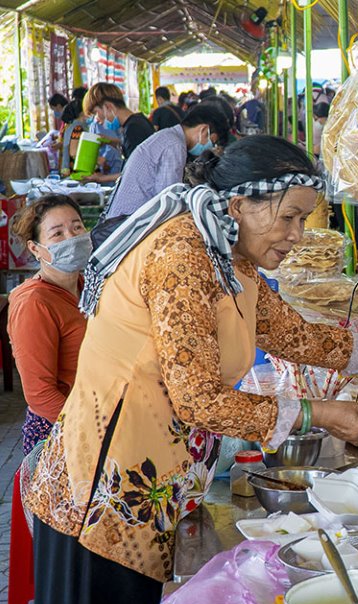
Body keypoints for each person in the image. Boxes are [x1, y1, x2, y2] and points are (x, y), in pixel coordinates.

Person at [23, 135, 358, 604]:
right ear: (242, 203)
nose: (296, 236)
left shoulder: (228, 256)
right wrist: (318, 413)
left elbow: (296, 335)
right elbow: (198, 398)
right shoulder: (183, 256)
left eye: (304, 220)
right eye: (289, 218)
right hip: (102, 491)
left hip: (145, 486)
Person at [7, 196, 90, 456]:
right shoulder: (34, 303)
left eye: (77, 227)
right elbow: (40, 395)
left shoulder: (88, 286)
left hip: (97, 421)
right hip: (62, 431)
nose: (71, 237)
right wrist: (89, 432)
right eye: (57, 233)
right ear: (35, 248)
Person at [92, 102, 231, 244]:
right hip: (127, 230)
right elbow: (168, 204)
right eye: (212, 142)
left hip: (124, 224)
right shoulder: (175, 146)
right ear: (203, 130)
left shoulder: (168, 136)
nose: (209, 148)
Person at [82, 82, 155, 161]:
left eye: (96, 113)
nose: (96, 119)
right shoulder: (138, 120)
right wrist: (110, 141)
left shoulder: (133, 129)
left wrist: (101, 174)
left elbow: (137, 171)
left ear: (109, 107)